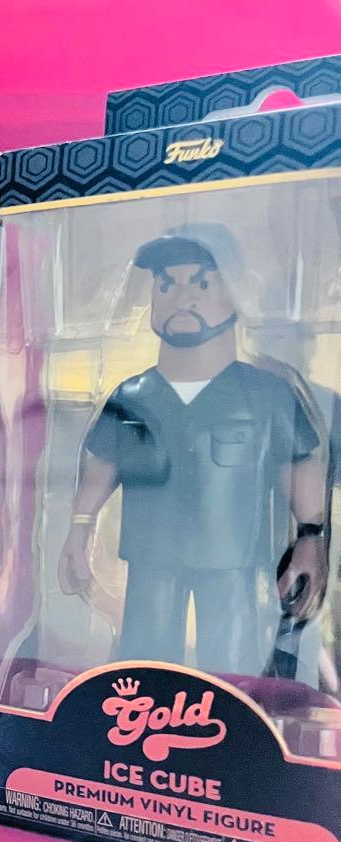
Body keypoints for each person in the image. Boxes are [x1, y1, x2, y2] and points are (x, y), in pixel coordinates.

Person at [57, 223, 327, 676]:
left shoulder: (266, 395)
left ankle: (234, 714)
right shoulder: (132, 397)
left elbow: (299, 465)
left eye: (201, 283)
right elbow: (102, 462)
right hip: (151, 557)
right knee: (143, 663)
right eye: (166, 285)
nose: (182, 298)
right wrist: (79, 530)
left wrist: (310, 538)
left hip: (234, 560)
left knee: (235, 665)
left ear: (235, 294)